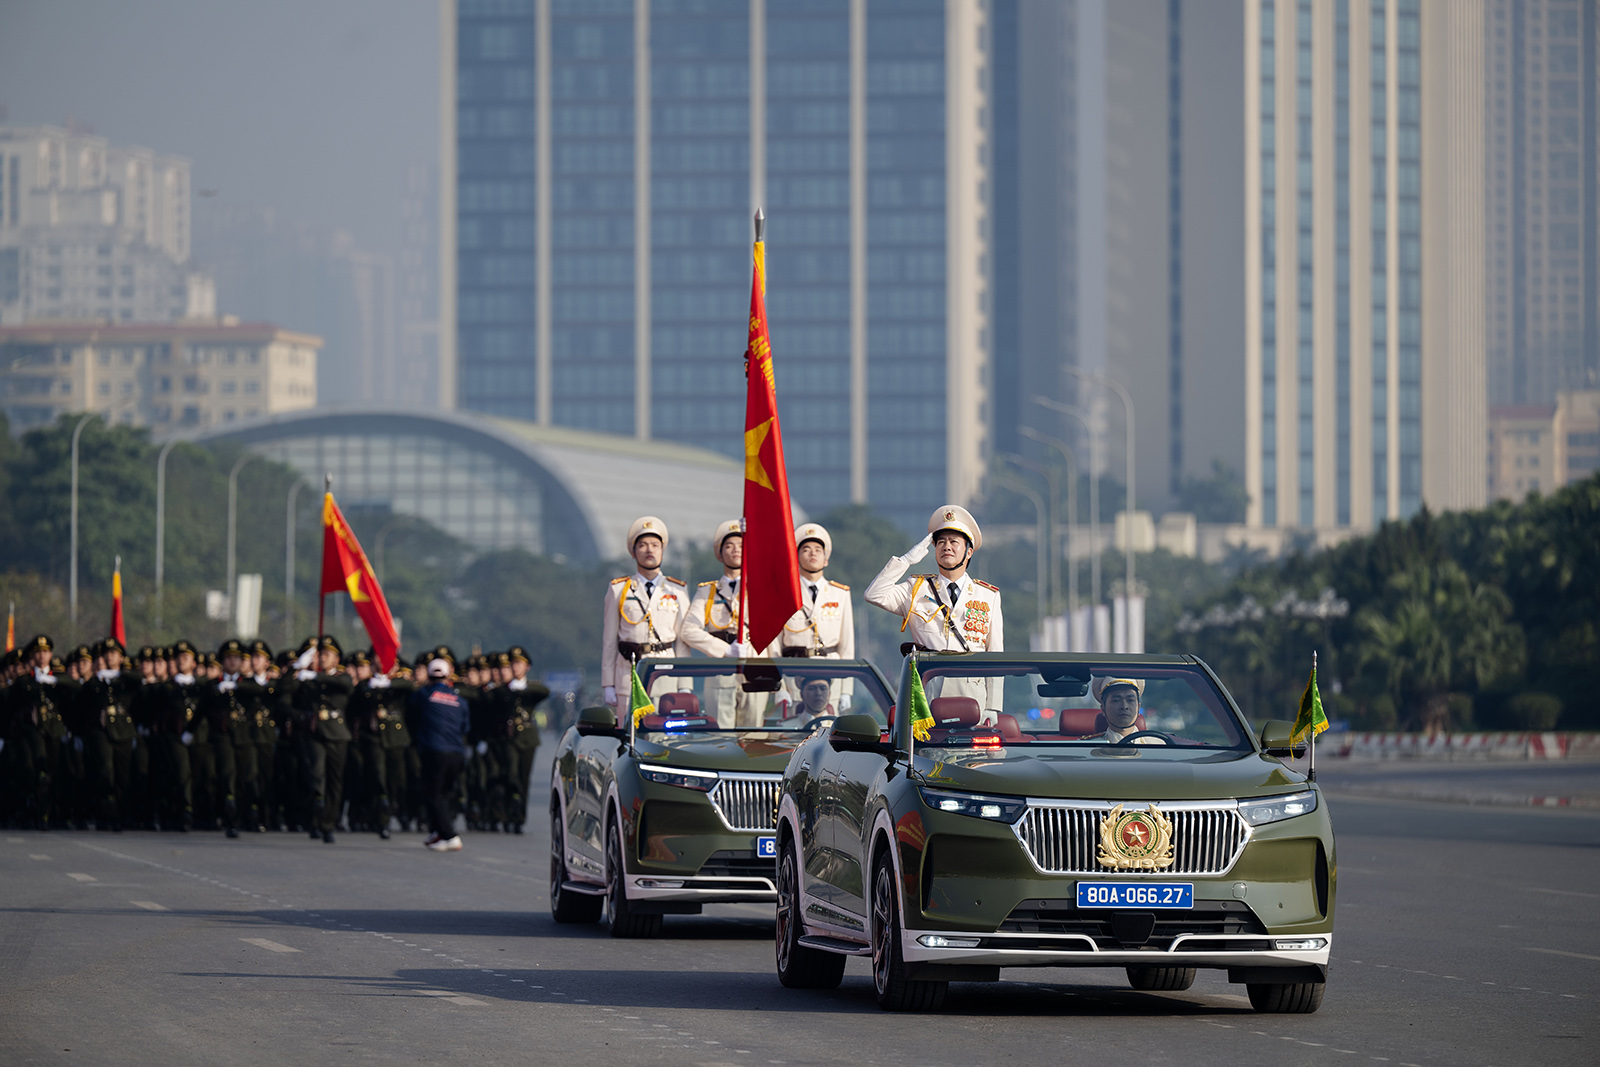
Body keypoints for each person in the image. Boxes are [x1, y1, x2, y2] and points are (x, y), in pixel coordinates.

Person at [865, 504, 1005, 724]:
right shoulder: (916, 588)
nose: (946, 546)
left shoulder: (988, 595)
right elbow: (874, 594)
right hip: (928, 695)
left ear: (968, 551)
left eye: (953, 542)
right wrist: (906, 561)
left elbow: (995, 654)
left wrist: (993, 707)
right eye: (941, 542)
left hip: (972, 699)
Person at [683, 519, 767, 727]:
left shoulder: (761, 588)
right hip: (721, 672)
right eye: (729, 546)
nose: (735, 550)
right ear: (720, 554)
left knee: (754, 740)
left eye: (741, 545)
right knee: (721, 738)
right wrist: (724, 650)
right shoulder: (708, 591)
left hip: (756, 669)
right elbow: (688, 630)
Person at [600, 516, 689, 708]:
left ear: (662, 551)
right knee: (631, 735)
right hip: (629, 675)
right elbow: (609, 641)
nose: (649, 550)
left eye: (655, 545)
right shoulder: (618, 590)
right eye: (642, 545)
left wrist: (684, 685)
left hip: (666, 676)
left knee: (666, 736)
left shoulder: (677, 590)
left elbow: (683, 643)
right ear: (633, 552)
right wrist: (608, 684)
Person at [768, 522, 857, 712]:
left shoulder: (840, 593)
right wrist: (779, 688)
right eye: (806, 549)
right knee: (794, 736)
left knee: (829, 736)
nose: (813, 554)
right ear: (796, 557)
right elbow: (774, 646)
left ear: (826, 559)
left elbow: (847, 646)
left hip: (831, 675)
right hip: (794, 677)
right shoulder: (783, 594)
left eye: (818, 549)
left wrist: (846, 690)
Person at [285, 636, 353, 844]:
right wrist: (297, 667)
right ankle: (317, 811)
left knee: (335, 781)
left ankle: (327, 824)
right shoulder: (305, 677)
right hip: (315, 734)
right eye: (320, 654)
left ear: (336, 658)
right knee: (317, 774)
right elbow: (283, 687)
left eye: (327, 655)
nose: (322, 658)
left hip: (337, 733)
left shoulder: (340, 678)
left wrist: (314, 677)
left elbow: (344, 683)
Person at [409, 655, 470, 851]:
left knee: (433, 794)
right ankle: (437, 832)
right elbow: (465, 727)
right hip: (457, 754)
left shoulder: (423, 695)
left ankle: (449, 835)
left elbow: (411, 713)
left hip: (435, 752)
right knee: (442, 794)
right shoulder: (460, 700)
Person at [1090, 677, 1161, 744]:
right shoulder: (1089, 747)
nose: (1124, 706)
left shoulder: (1160, 745)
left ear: (1138, 708)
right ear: (1103, 709)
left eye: (1130, 700)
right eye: (1116, 700)